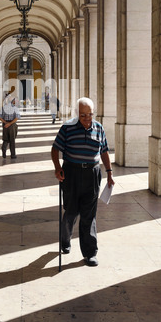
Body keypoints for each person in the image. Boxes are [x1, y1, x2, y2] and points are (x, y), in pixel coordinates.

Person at [51, 97, 114, 266]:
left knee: (89, 214)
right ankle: (65, 240)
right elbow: (55, 148)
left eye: (90, 114)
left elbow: (104, 151)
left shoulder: (99, 128)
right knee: (71, 211)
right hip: (71, 173)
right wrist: (58, 168)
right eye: (83, 115)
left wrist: (109, 172)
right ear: (77, 114)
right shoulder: (67, 128)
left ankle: (90, 252)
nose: (87, 118)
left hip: (92, 174)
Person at [0, 93, 20, 159]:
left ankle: (4, 148)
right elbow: (17, 117)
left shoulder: (3, 108)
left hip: (5, 125)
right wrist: (10, 123)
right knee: (12, 140)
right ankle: (13, 155)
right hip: (12, 125)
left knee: (5, 139)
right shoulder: (15, 108)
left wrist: (5, 123)